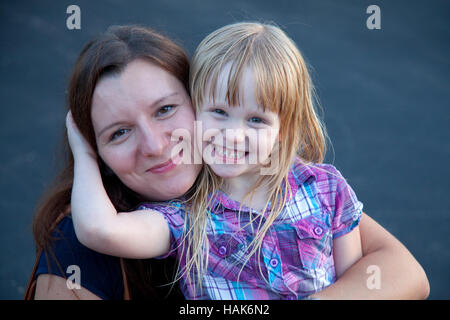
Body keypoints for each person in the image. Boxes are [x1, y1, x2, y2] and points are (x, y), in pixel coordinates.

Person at [64, 23, 429, 300]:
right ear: (197, 105)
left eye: (256, 119)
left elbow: (357, 284)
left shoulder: (324, 190)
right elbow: (100, 230)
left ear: (284, 128)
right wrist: (83, 147)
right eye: (219, 112)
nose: (233, 135)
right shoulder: (185, 217)